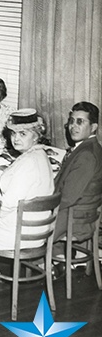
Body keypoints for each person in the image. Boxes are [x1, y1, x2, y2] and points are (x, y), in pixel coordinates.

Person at [0, 110, 54, 252]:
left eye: (23, 134)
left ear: (36, 136)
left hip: (19, 234)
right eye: (13, 133)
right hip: (38, 229)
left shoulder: (28, 163)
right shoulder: (40, 155)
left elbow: (9, 203)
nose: (15, 139)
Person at [53, 102, 102, 254]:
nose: (73, 126)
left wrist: (42, 209)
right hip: (79, 214)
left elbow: (67, 198)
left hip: (73, 220)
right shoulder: (91, 147)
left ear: (93, 127)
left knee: (16, 226)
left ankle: (24, 269)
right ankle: (56, 258)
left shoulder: (86, 156)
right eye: (72, 121)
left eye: (80, 122)